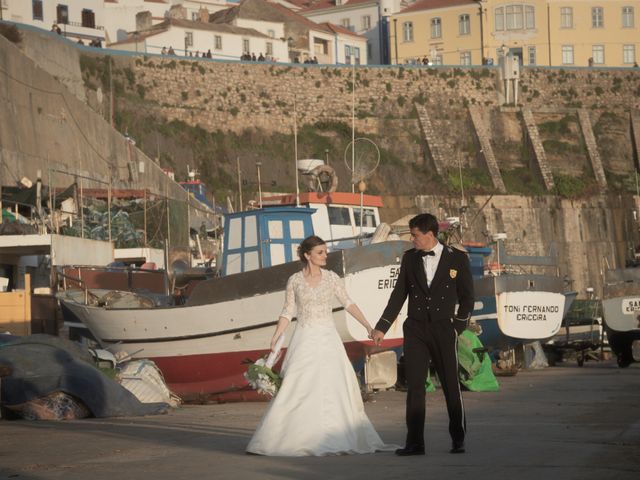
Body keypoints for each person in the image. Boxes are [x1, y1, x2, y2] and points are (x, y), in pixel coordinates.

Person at [247, 235, 396, 456]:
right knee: (298, 386)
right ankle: (291, 436)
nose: (325, 255)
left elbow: (348, 303)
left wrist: (368, 326)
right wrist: (277, 333)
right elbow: (288, 311)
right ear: (307, 255)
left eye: (325, 252)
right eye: (320, 252)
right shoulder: (295, 280)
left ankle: (334, 434)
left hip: (328, 337)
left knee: (333, 386)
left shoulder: (332, 278)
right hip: (304, 337)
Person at [371, 213, 474, 456]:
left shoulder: (457, 258)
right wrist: (382, 326)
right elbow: (398, 295)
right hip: (416, 328)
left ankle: (458, 438)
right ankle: (415, 442)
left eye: (415, 235)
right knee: (415, 386)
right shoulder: (409, 259)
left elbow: (468, 296)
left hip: (443, 328)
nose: (412, 240)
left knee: (450, 384)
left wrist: (457, 326)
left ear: (429, 234)